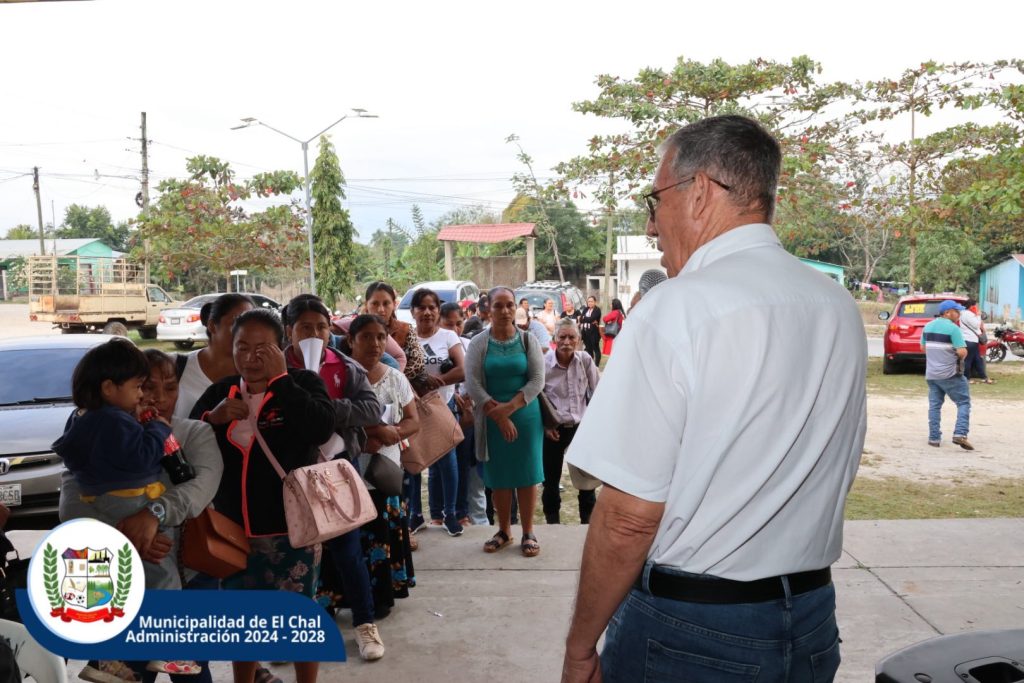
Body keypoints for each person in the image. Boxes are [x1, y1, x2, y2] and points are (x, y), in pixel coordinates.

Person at [562, 115, 867, 683]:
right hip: (810, 619)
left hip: (691, 631)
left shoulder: (675, 308)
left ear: (699, 191)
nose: (651, 226)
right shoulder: (835, 306)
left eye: (655, 201)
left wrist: (580, 646)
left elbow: (628, 518)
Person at [190, 308, 335, 683]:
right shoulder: (221, 392)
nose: (251, 357)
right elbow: (184, 443)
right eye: (242, 347)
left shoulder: (302, 383)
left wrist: (282, 381)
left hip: (293, 528)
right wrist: (212, 419)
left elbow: (321, 428)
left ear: (281, 347)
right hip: (233, 531)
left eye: (262, 349)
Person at [53, 340, 203, 682]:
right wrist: (158, 428)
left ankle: (105, 660)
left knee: (107, 585)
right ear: (109, 388)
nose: (141, 396)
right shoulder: (114, 422)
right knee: (163, 577)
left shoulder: (80, 419)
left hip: (97, 503)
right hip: (130, 501)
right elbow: (141, 457)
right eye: (137, 387)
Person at [280, 296, 387, 662]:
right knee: (293, 553)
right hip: (290, 474)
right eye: (305, 328)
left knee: (348, 550)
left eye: (322, 327)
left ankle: (364, 623)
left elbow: (371, 408)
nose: (315, 334)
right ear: (289, 331)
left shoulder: (344, 366)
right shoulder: (277, 368)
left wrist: (327, 411)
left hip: (336, 471)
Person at [347, 314, 420, 618]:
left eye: (380, 337)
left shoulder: (395, 378)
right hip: (348, 475)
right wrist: (368, 436)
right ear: (351, 341)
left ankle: (380, 597)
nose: (374, 344)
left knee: (381, 535)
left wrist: (394, 433)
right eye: (366, 336)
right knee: (349, 542)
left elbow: (413, 420)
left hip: (384, 473)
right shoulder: (341, 377)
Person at [465, 287, 546, 557]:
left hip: (525, 415)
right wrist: (497, 415)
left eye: (509, 305)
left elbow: (537, 380)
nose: (505, 310)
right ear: (488, 309)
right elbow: (472, 382)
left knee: (526, 473)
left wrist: (508, 410)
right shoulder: (478, 342)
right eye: (498, 305)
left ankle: (528, 532)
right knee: (499, 475)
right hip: (490, 416)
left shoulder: (528, 340)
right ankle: (504, 531)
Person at [410, 288, 466, 538]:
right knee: (413, 462)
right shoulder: (406, 337)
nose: (427, 312)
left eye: (432, 307)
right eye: (421, 307)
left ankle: (450, 514)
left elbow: (462, 370)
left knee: (447, 461)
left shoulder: (448, 336)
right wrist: (418, 385)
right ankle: (415, 515)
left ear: (438, 311)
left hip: (443, 407)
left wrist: (436, 383)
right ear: (413, 311)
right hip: (412, 408)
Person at [542, 319, 600, 525]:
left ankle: (587, 526)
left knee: (587, 484)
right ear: (554, 338)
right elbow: (537, 397)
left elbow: (599, 391)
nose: (566, 342)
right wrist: (546, 426)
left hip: (581, 429)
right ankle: (553, 526)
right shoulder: (544, 364)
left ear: (579, 339)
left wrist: (594, 426)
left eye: (571, 337)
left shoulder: (585, 360)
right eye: (562, 337)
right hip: (554, 431)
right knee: (551, 483)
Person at [440, 303, 488, 526]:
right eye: (448, 324)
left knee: (471, 467)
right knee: (446, 467)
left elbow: (478, 377)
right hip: (444, 413)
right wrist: (453, 394)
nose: (454, 329)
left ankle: (476, 517)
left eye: (458, 323)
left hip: (470, 414)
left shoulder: (470, 345)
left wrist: (469, 396)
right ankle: (448, 513)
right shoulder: (436, 347)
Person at [174, 294, 254, 420]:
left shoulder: (258, 374)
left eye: (251, 325)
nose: (245, 332)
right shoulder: (176, 366)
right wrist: (210, 419)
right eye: (236, 324)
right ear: (212, 325)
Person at [922, 300, 973, 450]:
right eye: (956, 311)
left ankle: (934, 438)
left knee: (934, 406)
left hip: (932, 374)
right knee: (963, 402)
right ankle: (960, 433)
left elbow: (923, 348)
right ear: (947, 313)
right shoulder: (953, 329)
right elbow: (962, 352)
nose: (959, 314)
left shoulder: (927, 326)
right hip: (950, 374)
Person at [362, 282, 430, 394]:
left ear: (394, 304)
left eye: (386, 303)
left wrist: (388, 379)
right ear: (366, 304)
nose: (381, 309)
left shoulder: (405, 329)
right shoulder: (355, 329)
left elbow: (417, 363)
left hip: (399, 393)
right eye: (375, 303)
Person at [960, 299, 993, 385]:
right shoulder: (968, 314)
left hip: (971, 339)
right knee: (968, 360)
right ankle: (966, 379)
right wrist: (978, 315)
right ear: (971, 306)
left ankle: (983, 377)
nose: (977, 307)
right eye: (975, 305)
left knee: (978, 359)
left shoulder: (963, 313)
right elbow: (977, 325)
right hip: (970, 340)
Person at [579, 296, 602, 365]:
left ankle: (596, 365)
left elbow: (591, 319)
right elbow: (581, 319)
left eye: (591, 301)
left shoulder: (597, 310)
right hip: (585, 332)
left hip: (594, 332)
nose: (590, 303)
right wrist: (586, 318)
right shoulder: (586, 309)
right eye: (588, 301)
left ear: (595, 302)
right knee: (589, 349)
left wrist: (585, 318)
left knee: (596, 349)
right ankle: (590, 365)